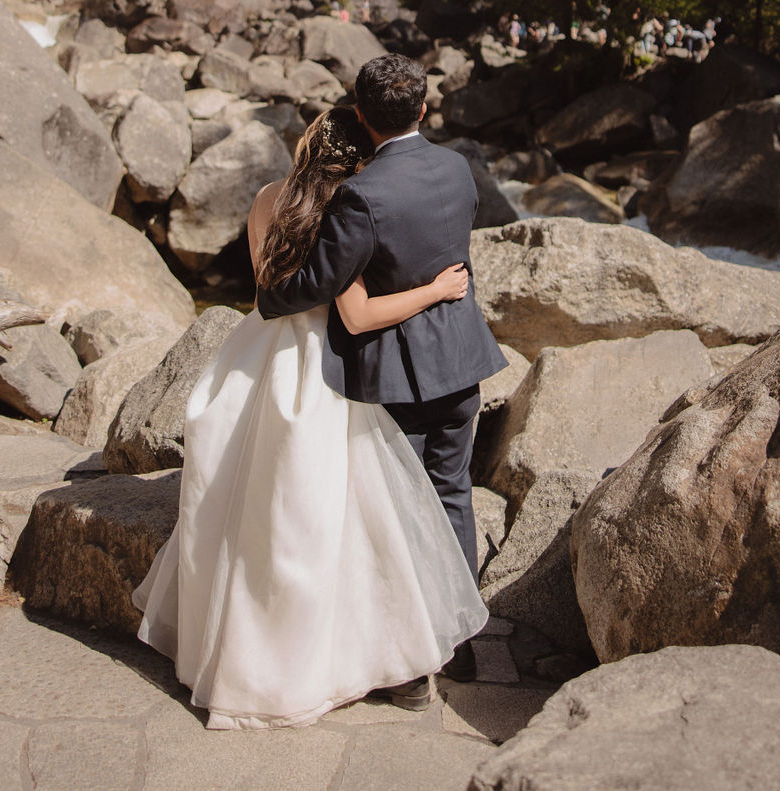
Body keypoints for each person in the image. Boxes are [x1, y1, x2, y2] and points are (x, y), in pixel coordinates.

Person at [133, 104, 488, 730]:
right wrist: (437, 290)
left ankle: (238, 648)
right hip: (322, 366)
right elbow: (358, 316)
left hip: (258, 357)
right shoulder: (342, 212)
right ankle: (384, 658)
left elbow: (265, 291)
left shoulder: (268, 199)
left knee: (250, 510)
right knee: (338, 516)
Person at [256, 53, 506, 685]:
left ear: (361, 115)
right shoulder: (458, 167)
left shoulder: (361, 196)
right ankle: (459, 642)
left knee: (397, 514)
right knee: (452, 497)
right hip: (460, 360)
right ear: (423, 109)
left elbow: (319, 284)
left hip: (398, 376)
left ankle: (408, 665)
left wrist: (269, 292)